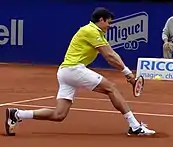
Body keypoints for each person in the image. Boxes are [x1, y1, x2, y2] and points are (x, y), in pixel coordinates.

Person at [5, 7, 156, 136]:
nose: (110, 26)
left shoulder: (96, 33)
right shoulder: (91, 30)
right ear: (101, 20)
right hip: (73, 69)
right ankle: (135, 126)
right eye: (109, 23)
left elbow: (111, 54)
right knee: (111, 88)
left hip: (65, 72)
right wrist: (127, 73)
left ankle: (17, 114)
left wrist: (126, 72)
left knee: (59, 115)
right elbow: (110, 55)